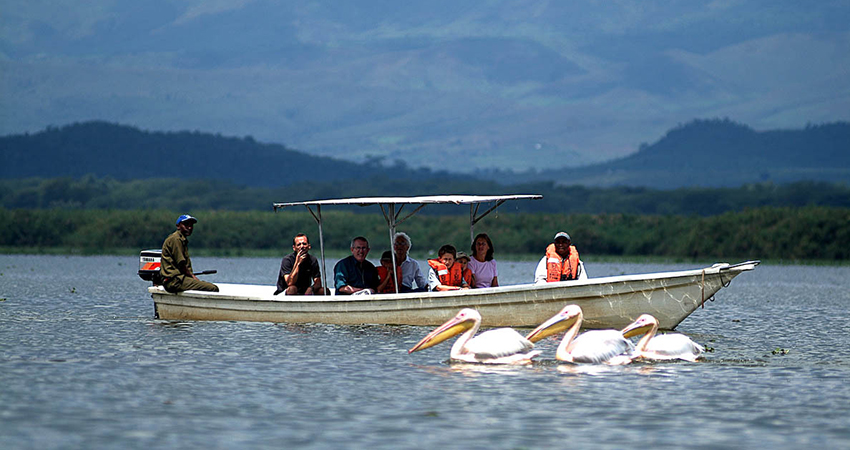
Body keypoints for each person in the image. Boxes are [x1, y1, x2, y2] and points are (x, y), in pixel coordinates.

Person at [160, 214, 219, 293]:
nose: (189, 228)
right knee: (213, 288)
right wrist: (192, 277)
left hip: (177, 279)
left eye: (191, 225)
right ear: (178, 226)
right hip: (174, 281)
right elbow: (181, 264)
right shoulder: (176, 239)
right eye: (186, 225)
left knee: (204, 285)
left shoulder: (181, 239)